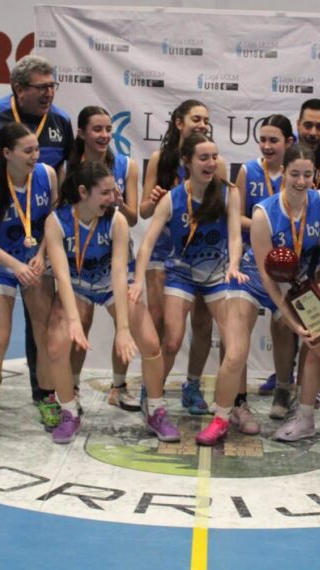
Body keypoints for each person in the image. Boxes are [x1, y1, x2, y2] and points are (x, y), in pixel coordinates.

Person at [210, 145, 320, 452]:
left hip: (299, 286)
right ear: (284, 173)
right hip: (255, 280)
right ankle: (221, 418)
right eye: (295, 173)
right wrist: (293, 323)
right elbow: (268, 278)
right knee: (235, 350)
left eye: (308, 174)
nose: (301, 180)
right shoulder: (263, 213)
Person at [0, 55, 73, 407]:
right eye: (41, 87)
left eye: (52, 86)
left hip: (38, 241)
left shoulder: (61, 121)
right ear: (18, 89)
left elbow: (63, 172)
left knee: (41, 323)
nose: (49, 93)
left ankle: (43, 391)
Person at [43, 160, 179, 443]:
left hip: (111, 285)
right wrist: (72, 322)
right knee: (56, 346)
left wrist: (124, 328)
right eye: (105, 192)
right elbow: (62, 277)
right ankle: (69, 411)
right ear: (83, 192)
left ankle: (154, 408)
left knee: (151, 344)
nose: (114, 197)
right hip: (77, 286)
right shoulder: (57, 222)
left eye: (114, 190)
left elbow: (119, 273)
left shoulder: (116, 220)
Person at [132, 133, 245, 427]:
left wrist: (234, 264)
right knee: (172, 340)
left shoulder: (229, 192)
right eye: (203, 158)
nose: (211, 163)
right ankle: (152, 397)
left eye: (214, 157)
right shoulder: (172, 199)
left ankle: (201, 393)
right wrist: (135, 283)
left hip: (218, 272)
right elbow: (146, 245)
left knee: (231, 343)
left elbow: (235, 235)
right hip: (181, 271)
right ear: (187, 162)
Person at [0, 123, 58, 443]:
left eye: (37, 149)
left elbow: (54, 221)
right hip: (0, 266)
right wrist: (15, 265)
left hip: (36, 265)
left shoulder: (47, 175)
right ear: (7, 153)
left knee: (44, 334)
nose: (35, 156)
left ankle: (48, 399)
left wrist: (42, 255)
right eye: (28, 151)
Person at [140, 100, 225, 414]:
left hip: (201, 255)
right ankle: (153, 386)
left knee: (203, 323)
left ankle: (192, 385)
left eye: (206, 119)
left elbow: (225, 208)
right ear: (179, 122)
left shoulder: (216, 162)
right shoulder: (159, 159)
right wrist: (155, 200)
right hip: (164, 251)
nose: (203, 123)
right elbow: (143, 212)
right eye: (196, 118)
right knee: (160, 321)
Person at [68, 105, 141, 411]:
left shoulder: (127, 166)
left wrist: (120, 205)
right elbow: (61, 214)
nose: (105, 135)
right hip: (81, 259)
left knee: (128, 321)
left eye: (109, 129)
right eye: (97, 129)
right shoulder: (70, 168)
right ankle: (70, 388)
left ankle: (119, 386)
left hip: (116, 256)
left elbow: (134, 217)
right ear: (82, 133)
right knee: (80, 324)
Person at [235, 114, 298, 399]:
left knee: (284, 325)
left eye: (273, 140)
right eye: (263, 140)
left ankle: (284, 388)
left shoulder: (296, 173)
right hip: (252, 262)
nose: (267, 146)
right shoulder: (248, 171)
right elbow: (235, 216)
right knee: (238, 329)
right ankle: (238, 400)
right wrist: (263, 227)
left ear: (288, 142)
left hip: (287, 265)